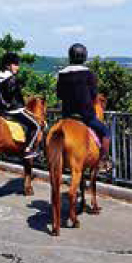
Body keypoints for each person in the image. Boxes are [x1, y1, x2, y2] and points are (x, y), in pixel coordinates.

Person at [56, 43, 112, 172]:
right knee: (106, 132)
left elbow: (59, 95)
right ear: (84, 57)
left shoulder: (62, 73)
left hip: (67, 115)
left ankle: (47, 155)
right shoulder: (88, 73)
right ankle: (103, 161)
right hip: (85, 115)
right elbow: (93, 94)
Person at [0, 52, 40, 160]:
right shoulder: (12, 79)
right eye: (15, 64)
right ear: (8, 65)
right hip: (13, 111)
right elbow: (14, 98)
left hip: (1, 111)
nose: (17, 67)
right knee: (36, 126)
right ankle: (28, 150)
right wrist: (23, 107)